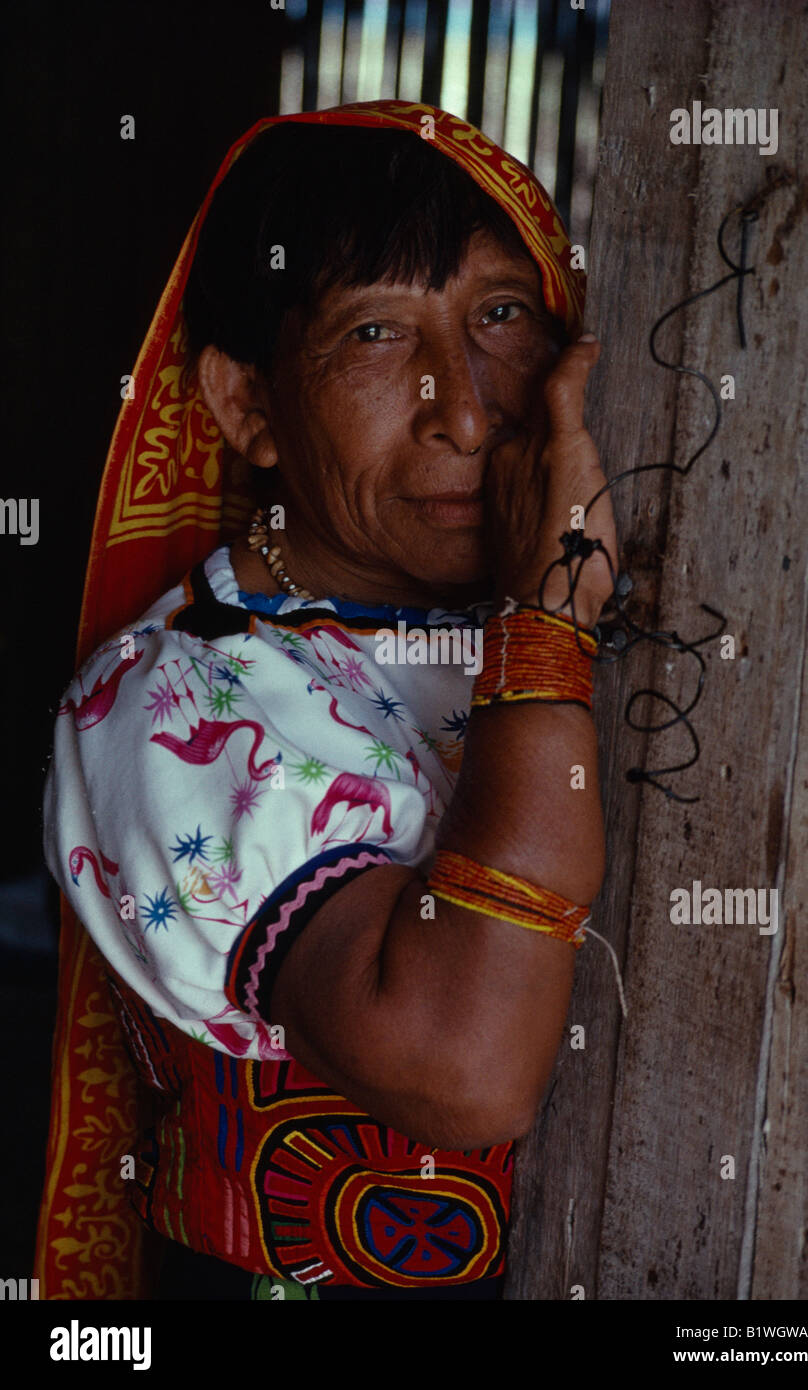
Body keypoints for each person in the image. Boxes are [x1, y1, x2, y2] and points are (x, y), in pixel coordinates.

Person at [35, 99, 618, 1300]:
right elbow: (465, 1068)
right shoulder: (180, 699)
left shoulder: (589, 595)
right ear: (246, 405)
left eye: (501, 316)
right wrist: (551, 625)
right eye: (374, 334)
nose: (466, 405)